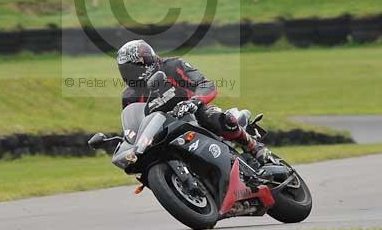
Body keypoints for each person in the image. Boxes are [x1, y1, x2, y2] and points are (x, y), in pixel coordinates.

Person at [116, 39, 272, 164]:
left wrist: (194, 102)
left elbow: (205, 84)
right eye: (126, 70)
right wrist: (127, 141)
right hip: (165, 131)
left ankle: (253, 146)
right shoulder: (129, 96)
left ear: (146, 62)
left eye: (134, 69)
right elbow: (135, 125)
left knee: (211, 116)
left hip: (193, 114)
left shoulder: (172, 66)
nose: (131, 74)